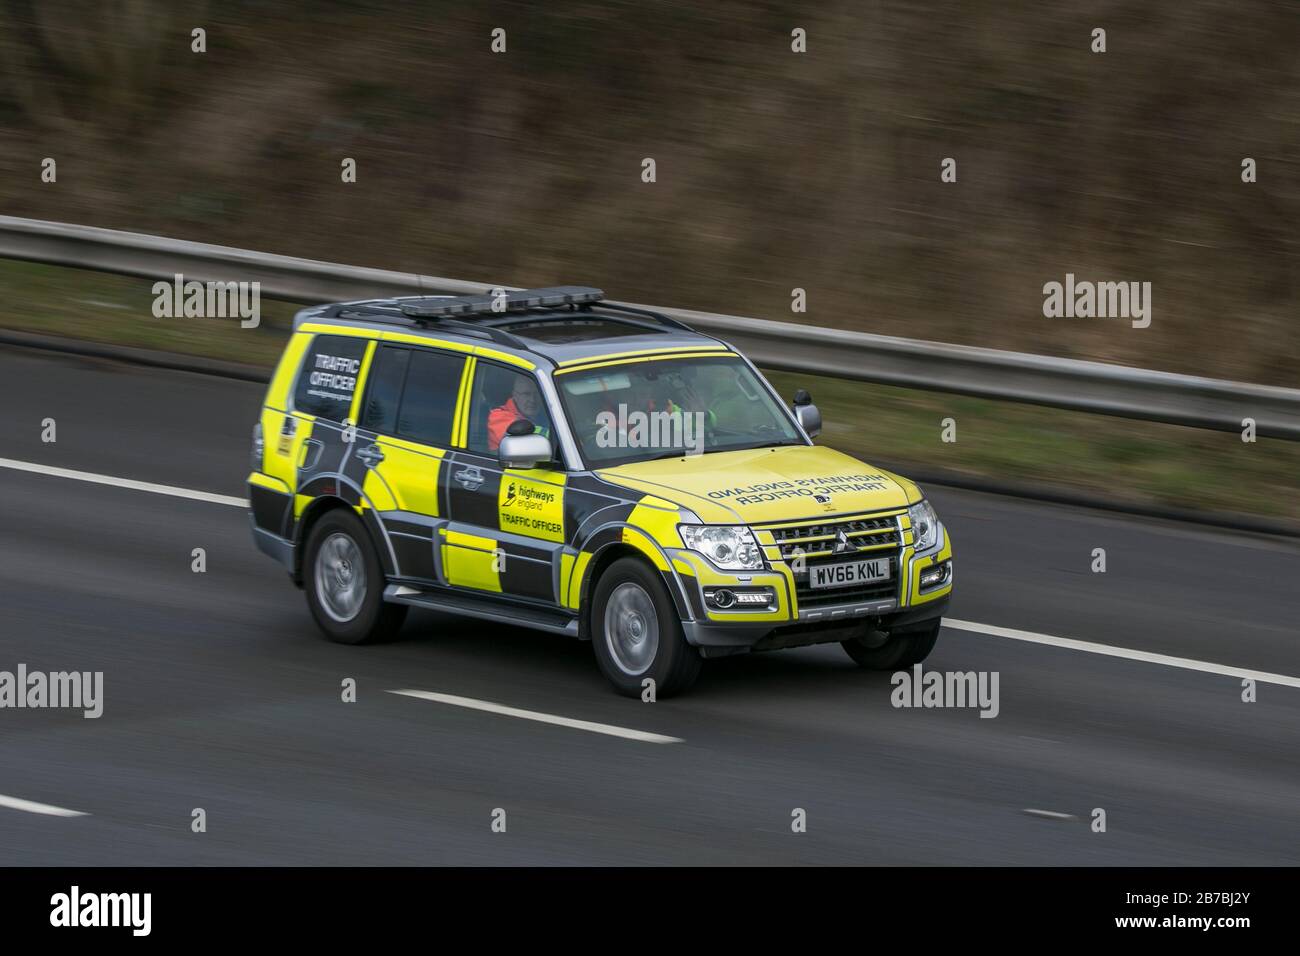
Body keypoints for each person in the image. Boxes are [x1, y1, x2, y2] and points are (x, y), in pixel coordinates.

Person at [488, 375, 551, 451]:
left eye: (537, 393)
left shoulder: (547, 412)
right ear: (515, 395)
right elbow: (526, 440)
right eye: (526, 394)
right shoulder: (498, 416)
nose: (532, 400)